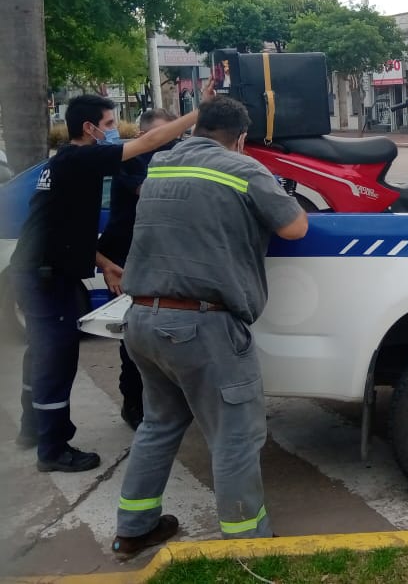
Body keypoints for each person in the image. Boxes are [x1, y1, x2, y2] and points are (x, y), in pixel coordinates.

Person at [112, 96, 308, 558]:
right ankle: (247, 546)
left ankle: (133, 529)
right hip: (203, 325)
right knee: (236, 436)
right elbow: (295, 228)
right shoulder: (242, 168)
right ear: (240, 138)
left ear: (197, 127)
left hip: (141, 318)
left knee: (159, 424)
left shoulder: (160, 164)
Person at [12, 93, 207, 473]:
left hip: (41, 270)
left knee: (40, 352)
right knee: (56, 357)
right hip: (45, 276)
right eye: (109, 124)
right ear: (89, 129)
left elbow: (62, 229)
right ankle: (52, 449)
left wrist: (103, 263)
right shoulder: (81, 157)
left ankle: (32, 428)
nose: (115, 131)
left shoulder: (66, 165)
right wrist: (202, 111)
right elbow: (149, 141)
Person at [96, 108, 179, 431]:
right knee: (131, 335)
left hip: (161, 255)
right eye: (162, 138)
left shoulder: (175, 157)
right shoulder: (129, 159)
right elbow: (150, 192)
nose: (168, 145)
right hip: (123, 259)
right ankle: (134, 403)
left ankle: (166, 400)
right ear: (146, 136)